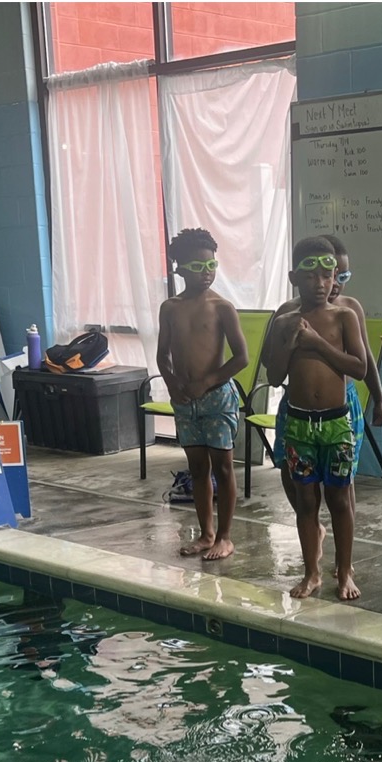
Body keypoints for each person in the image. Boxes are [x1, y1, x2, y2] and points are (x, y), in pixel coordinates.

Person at [262, 236, 372, 601]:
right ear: (294, 277)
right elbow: (275, 375)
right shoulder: (283, 319)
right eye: (312, 276)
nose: (322, 283)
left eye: (329, 274)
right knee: (306, 502)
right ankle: (311, 573)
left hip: (337, 422)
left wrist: (317, 344)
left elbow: (358, 368)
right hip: (298, 424)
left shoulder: (344, 316)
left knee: (340, 501)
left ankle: (344, 571)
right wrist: (290, 342)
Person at [156, 228, 249, 563]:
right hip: (185, 401)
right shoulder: (170, 308)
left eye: (211, 265)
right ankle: (206, 533)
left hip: (217, 399)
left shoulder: (222, 307)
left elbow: (241, 357)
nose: (206, 273)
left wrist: (207, 382)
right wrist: (172, 384)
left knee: (223, 469)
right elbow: (162, 355)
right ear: (179, 269)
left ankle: (224, 537)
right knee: (197, 470)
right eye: (196, 267)